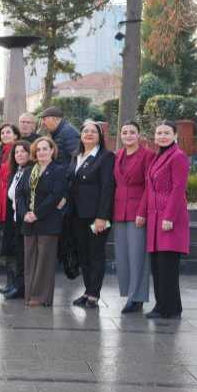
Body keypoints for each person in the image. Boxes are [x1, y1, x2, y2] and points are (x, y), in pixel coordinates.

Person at [145, 121, 190, 320]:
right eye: (159, 133)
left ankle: (169, 308)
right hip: (155, 217)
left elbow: (178, 189)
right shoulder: (159, 156)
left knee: (167, 266)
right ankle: (163, 305)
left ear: (175, 135)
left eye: (166, 133)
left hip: (169, 217)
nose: (162, 136)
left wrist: (169, 217)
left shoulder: (178, 156)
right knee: (158, 265)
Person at [67, 121, 115, 309]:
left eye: (93, 131)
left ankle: (94, 294)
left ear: (100, 136)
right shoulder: (76, 156)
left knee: (96, 254)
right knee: (83, 254)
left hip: (97, 216)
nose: (88, 134)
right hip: (77, 215)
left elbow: (107, 188)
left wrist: (102, 216)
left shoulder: (106, 157)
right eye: (85, 131)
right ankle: (87, 291)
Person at [16, 137, 68, 307]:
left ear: (52, 150)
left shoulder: (58, 171)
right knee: (30, 260)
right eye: (38, 149)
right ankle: (30, 294)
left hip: (48, 221)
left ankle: (41, 297)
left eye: (45, 149)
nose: (41, 152)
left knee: (45, 261)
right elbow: (19, 194)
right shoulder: (28, 171)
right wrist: (25, 213)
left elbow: (56, 195)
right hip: (28, 222)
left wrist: (37, 214)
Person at [113, 121, 154, 313]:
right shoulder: (118, 155)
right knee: (122, 256)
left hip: (137, 212)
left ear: (139, 135)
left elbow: (149, 186)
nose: (128, 135)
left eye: (132, 132)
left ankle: (137, 297)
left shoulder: (148, 155)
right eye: (124, 132)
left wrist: (142, 212)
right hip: (119, 210)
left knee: (138, 257)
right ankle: (128, 293)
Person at [2, 141, 33, 300]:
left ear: (30, 153)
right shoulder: (16, 172)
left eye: (23, 151)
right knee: (19, 254)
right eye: (16, 152)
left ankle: (23, 287)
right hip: (16, 218)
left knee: (25, 255)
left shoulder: (31, 170)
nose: (19, 154)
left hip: (27, 218)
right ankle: (18, 286)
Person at [0, 123, 22, 293]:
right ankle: (10, 283)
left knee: (13, 243)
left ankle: (17, 285)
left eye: (8, 132)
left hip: (12, 200)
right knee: (6, 241)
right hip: (2, 198)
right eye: (2, 133)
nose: (5, 135)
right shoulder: (2, 152)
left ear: (16, 135)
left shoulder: (18, 151)